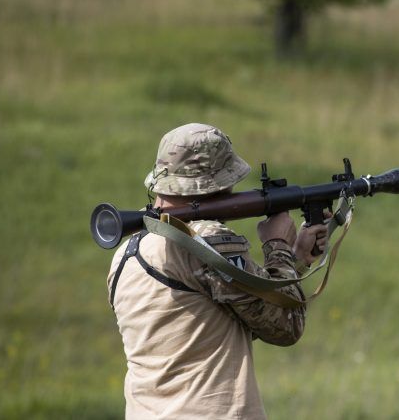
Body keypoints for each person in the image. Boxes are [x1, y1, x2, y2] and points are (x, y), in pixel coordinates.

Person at [107, 123, 327, 419]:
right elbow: (286, 324)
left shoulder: (128, 253)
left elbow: (228, 323)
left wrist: (297, 257)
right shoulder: (202, 242)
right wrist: (277, 245)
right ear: (218, 184)